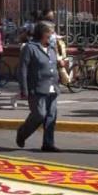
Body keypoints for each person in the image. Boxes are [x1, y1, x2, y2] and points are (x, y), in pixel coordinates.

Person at [16, 21, 63, 152]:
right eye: (51, 32)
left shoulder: (52, 47)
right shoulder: (30, 48)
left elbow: (53, 64)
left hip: (53, 87)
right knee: (39, 115)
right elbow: (23, 69)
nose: (53, 35)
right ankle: (23, 133)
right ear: (43, 33)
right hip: (37, 87)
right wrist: (24, 89)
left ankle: (48, 143)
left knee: (51, 116)